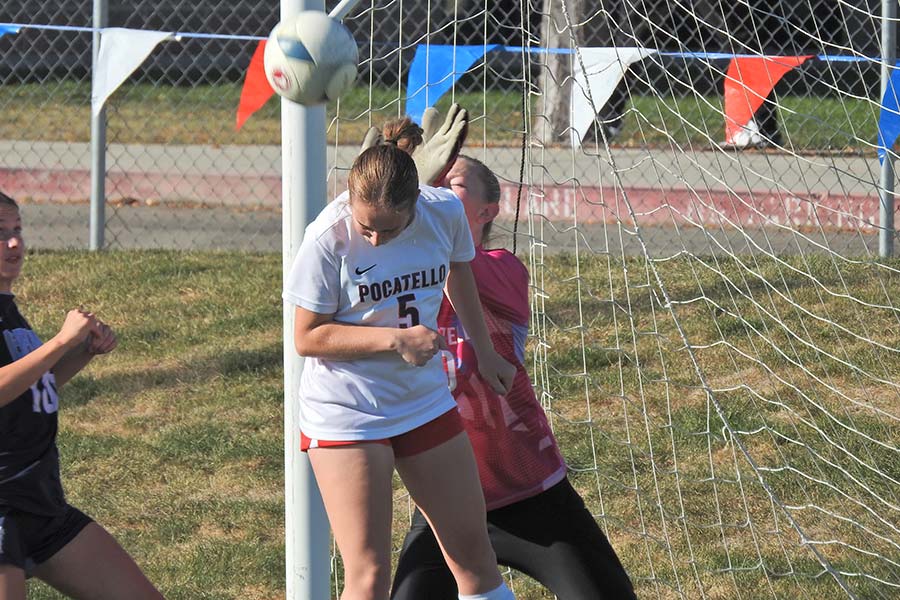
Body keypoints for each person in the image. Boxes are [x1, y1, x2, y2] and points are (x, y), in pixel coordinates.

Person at [282, 117, 518, 600]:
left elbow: (458, 270)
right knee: (369, 576)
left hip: (422, 401)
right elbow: (306, 337)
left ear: (416, 205)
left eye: (388, 231)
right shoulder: (326, 238)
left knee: (474, 557)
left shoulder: (444, 214)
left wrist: (485, 350)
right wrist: (394, 340)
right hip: (346, 412)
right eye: (365, 226)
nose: (373, 240)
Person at [390, 156, 637, 600]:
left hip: (528, 491)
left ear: (487, 211)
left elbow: (449, 253)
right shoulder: (405, 281)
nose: (441, 188)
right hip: (443, 502)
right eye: (435, 179)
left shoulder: (503, 269)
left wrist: (417, 189)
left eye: (455, 182)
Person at [0, 191, 164, 600]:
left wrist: (82, 353)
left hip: (38, 502)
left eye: (17, 230)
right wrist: (58, 342)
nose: (15, 243)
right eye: (0, 234)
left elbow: (32, 389)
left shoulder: (8, 309)